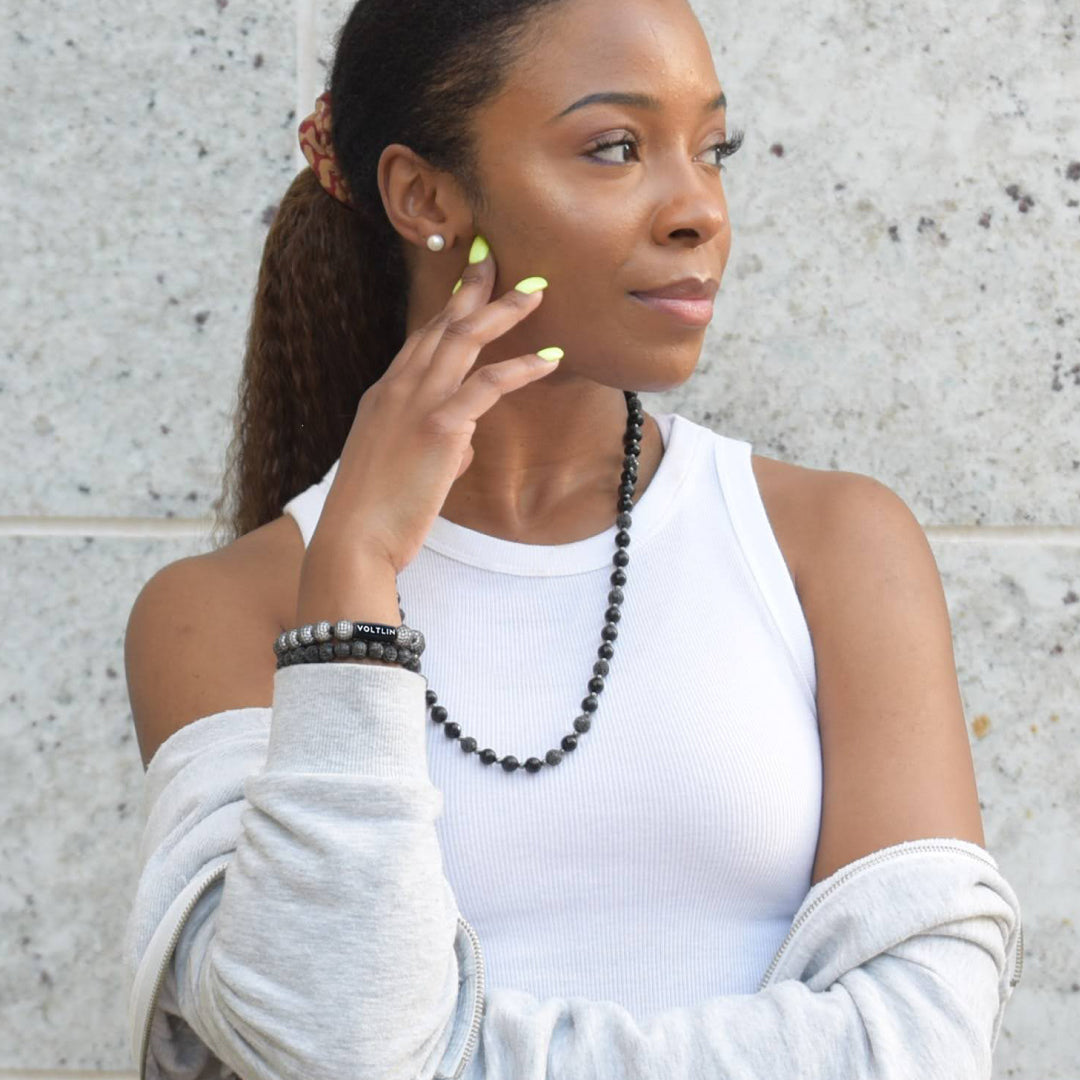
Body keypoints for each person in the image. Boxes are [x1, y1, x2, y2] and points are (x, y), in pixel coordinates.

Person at [122, 0, 1023, 1077]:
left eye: (713, 148)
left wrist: (441, 1052)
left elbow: (923, 1042)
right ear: (424, 196)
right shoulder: (224, 612)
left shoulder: (834, 548)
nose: (699, 210)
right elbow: (334, 1040)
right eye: (615, 147)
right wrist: (353, 579)